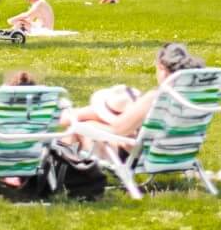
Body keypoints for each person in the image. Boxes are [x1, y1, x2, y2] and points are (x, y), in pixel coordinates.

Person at [67, 43, 206, 151]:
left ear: (161, 68)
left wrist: (85, 122)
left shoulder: (156, 98)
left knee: (82, 127)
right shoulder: (195, 96)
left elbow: (118, 129)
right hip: (180, 152)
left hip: (143, 154)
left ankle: (63, 170)